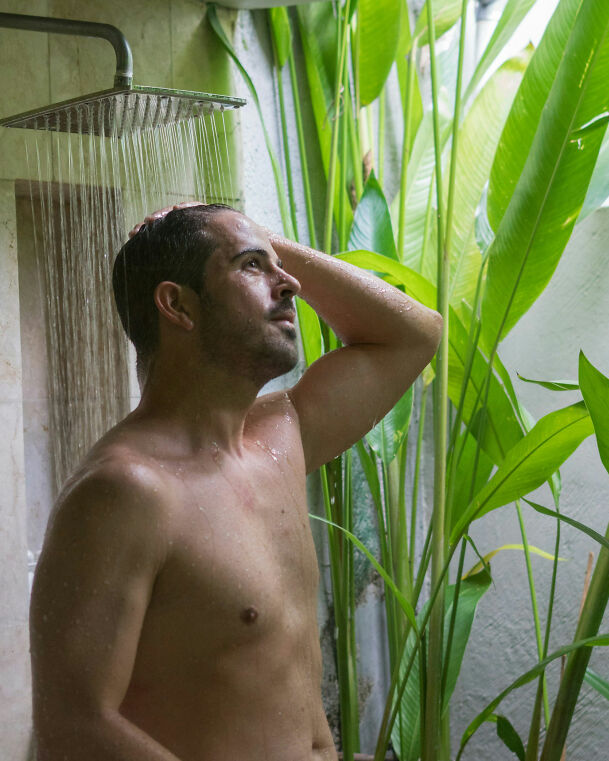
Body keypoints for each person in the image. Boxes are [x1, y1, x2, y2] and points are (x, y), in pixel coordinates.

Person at [29, 202, 442, 761]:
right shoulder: (123, 492)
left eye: (279, 267)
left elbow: (415, 334)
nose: (290, 284)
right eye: (252, 267)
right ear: (177, 304)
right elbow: (74, 727)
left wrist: (267, 243)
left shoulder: (281, 439)